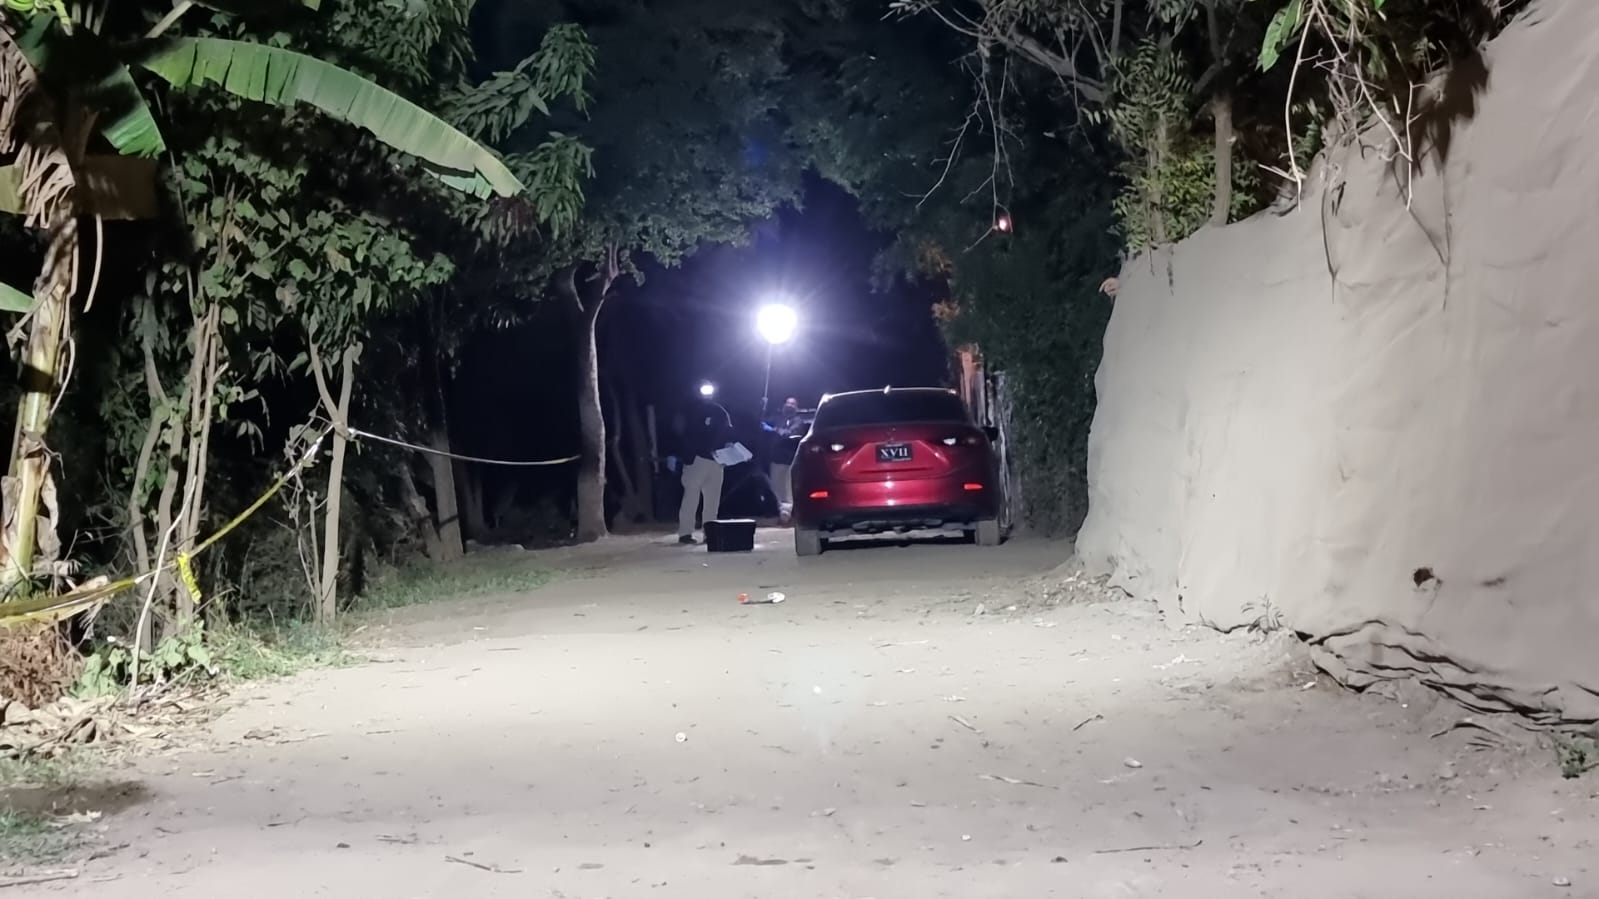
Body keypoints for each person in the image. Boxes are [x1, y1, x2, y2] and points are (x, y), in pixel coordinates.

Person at [678, 387, 733, 544]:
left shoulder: (720, 411)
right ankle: (685, 532)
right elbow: (685, 434)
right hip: (697, 460)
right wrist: (688, 456)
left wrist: (728, 452)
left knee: (712, 500)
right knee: (691, 496)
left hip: (716, 460)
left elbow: (729, 433)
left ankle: (710, 533)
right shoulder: (691, 411)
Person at [768, 397, 802, 523]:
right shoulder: (778, 419)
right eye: (787, 403)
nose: (789, 406)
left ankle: (787, 514)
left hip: (789, 459)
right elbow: (763, 422)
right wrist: (763, 405)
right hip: (776, 458)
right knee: (776, 487)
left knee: (787, 488)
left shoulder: (798, 421)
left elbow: (788, 434)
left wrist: (775, 430)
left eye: (792, 404)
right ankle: (781, 512)